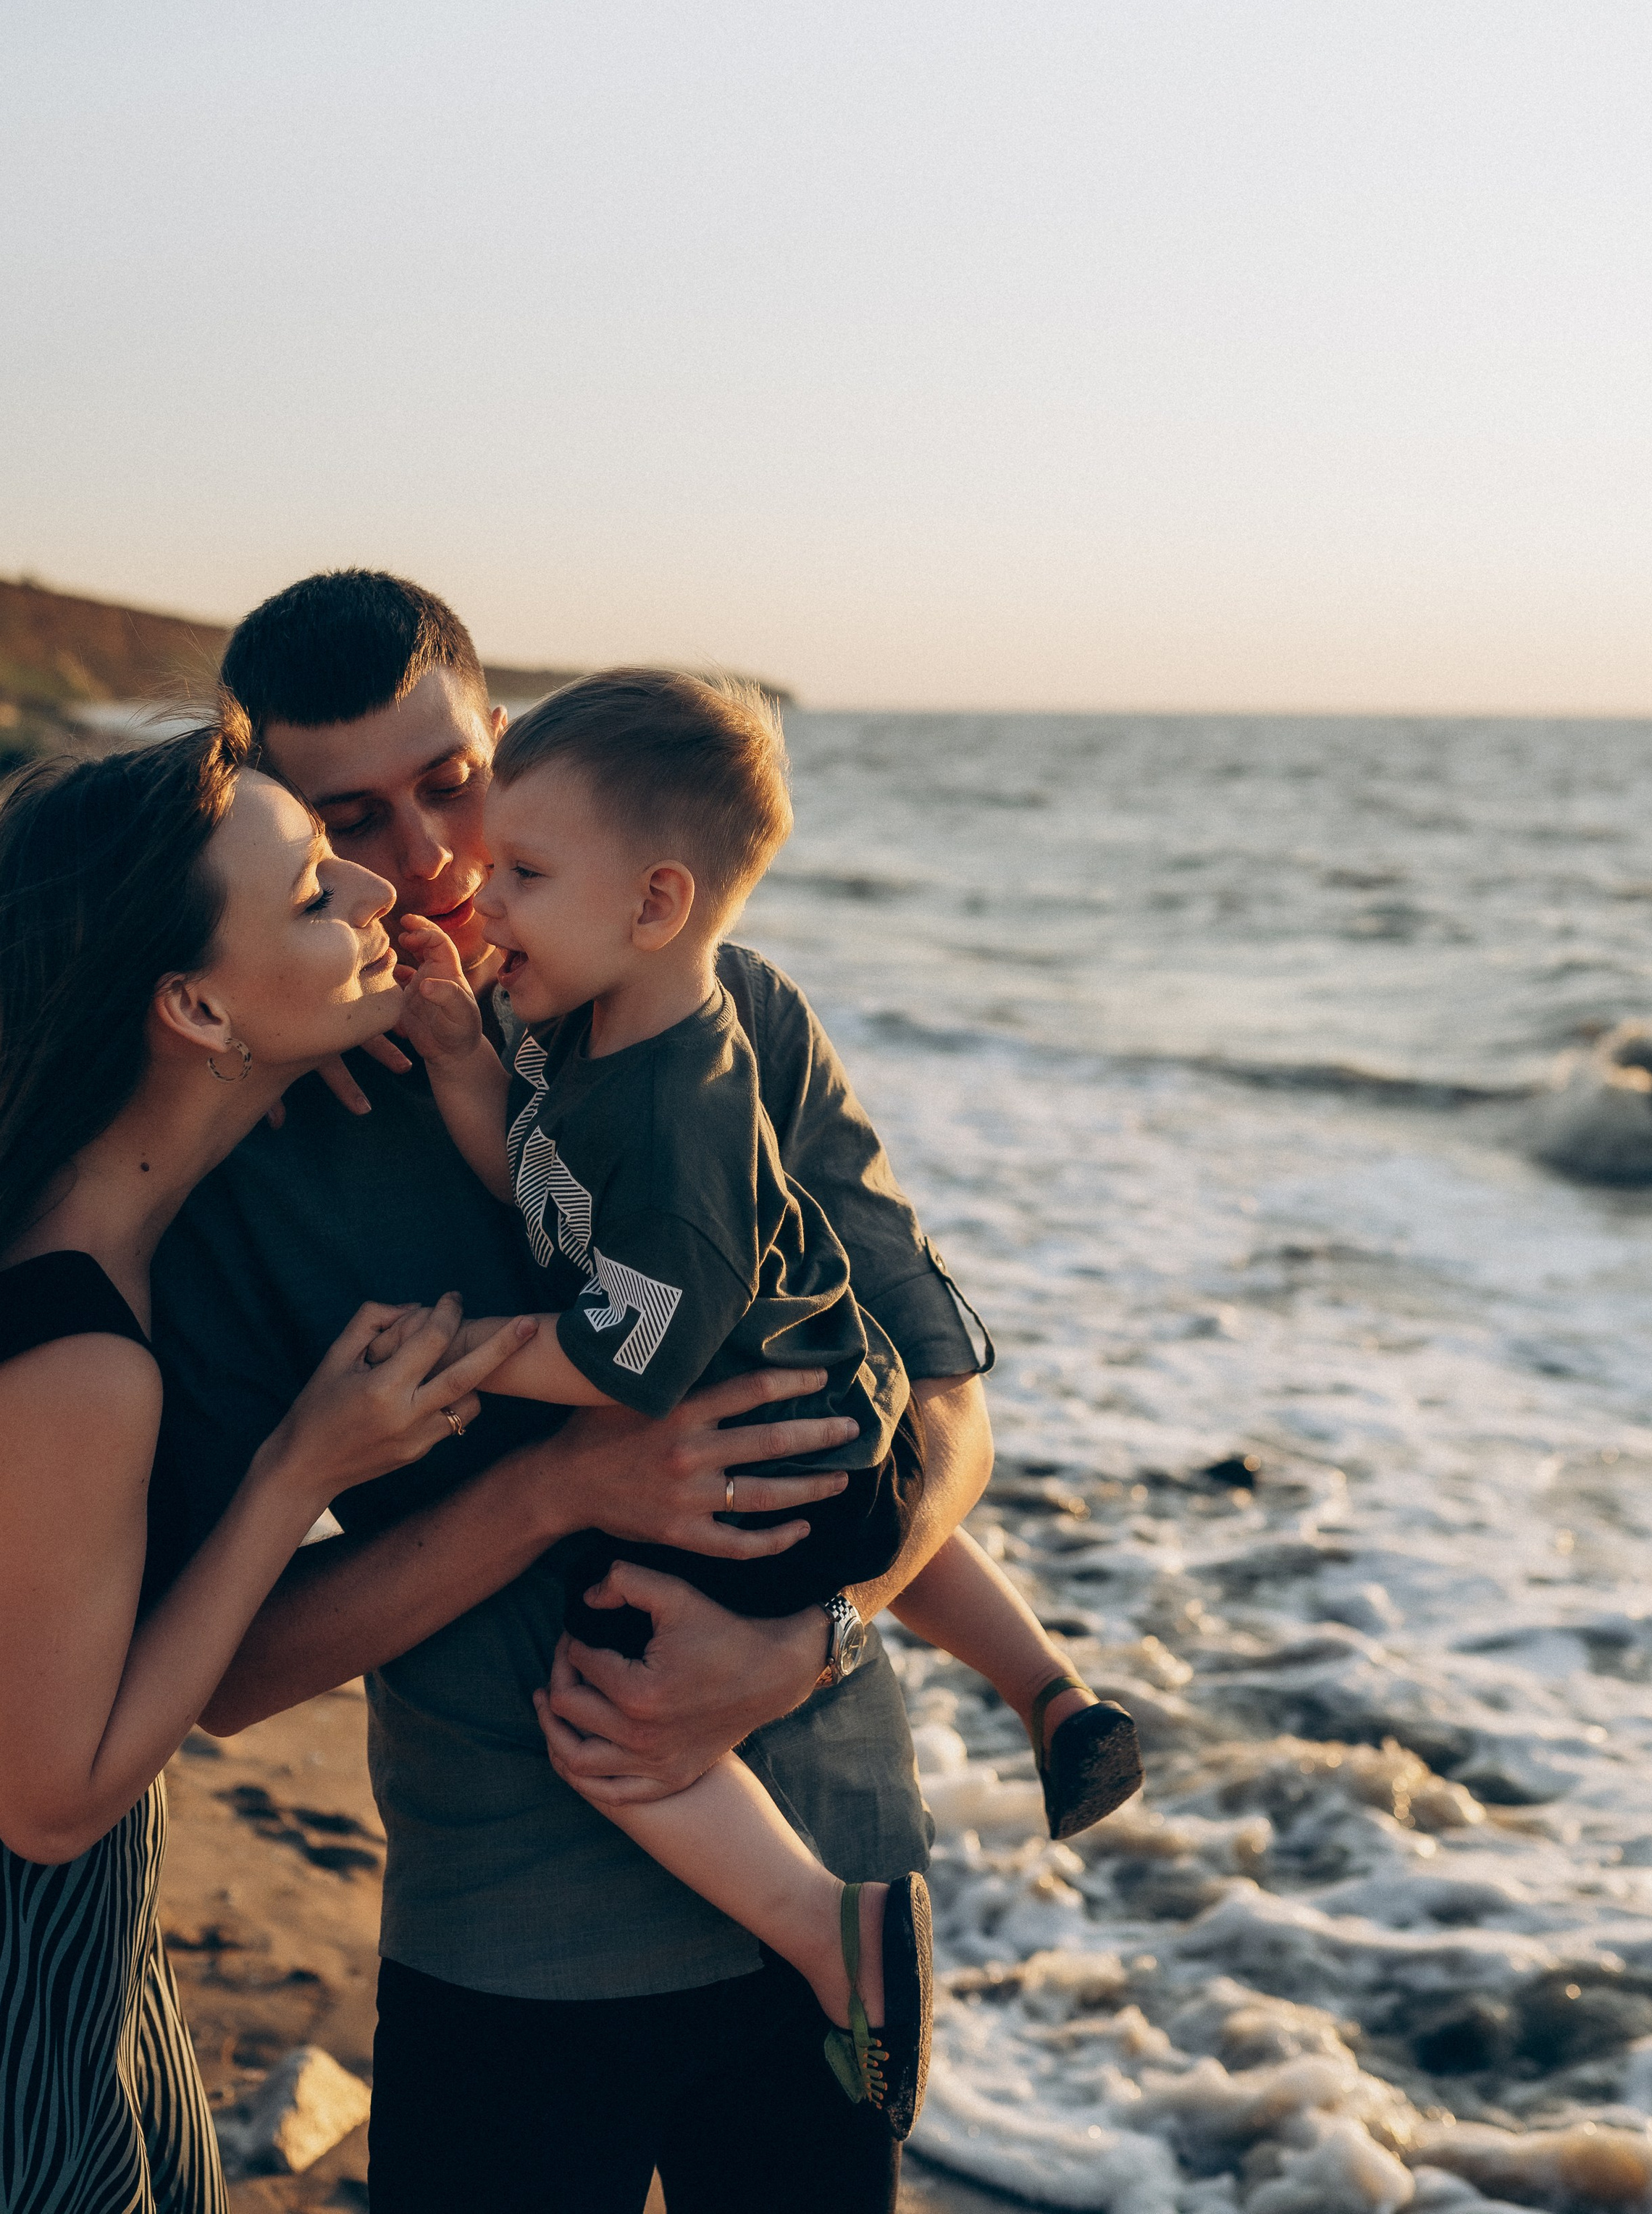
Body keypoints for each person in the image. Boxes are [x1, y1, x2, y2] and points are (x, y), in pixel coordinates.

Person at [147, 571, 1002, 2213]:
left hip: (830, 1891)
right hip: (509, 1935)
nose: (437, 860)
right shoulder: (249, 1158)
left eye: (455, 783)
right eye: (355, 819)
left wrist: (804, 1636)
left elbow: (948, 1419)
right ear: (286, 832)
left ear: (506, 742)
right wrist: (550, 1485)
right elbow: (227, 1674)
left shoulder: (730, 1017)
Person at [393, 667, 1144, 2132]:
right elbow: (540, 1191)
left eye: (519, 873)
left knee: (604, 1713)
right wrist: (459, 1065)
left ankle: (826, 1930)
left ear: (655, 904)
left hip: (755, 1447)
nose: (478, 900)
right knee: (843, 1499)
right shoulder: (582, 1027)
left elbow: (627, 1359)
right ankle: (1050, 1693)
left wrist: (470, 1354)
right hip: (805, 1408)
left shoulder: (688, 1106)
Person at [0, 713, 534, 2214]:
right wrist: (298, 1470)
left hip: (37, 1948)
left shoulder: (23, 1215)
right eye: (314, 889)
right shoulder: (76, 1358)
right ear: (191, 1004)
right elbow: (47, 1799)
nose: (378, 898)